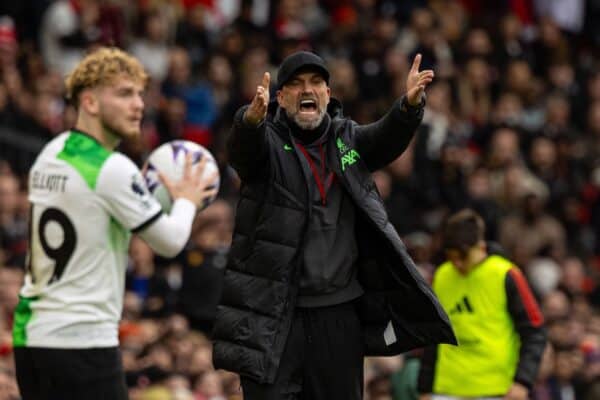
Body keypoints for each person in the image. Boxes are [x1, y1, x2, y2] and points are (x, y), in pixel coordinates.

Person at [211, 50, 456, 399]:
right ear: (280, 98)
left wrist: (408, 106)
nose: (305, 90)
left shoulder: (347, 141)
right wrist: (249, 121)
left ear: (328, 94)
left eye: (315, 83)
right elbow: (243, 154)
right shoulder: (267, 143)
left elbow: (384, 138)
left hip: (339, 314)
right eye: (294, 85)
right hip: (278, 312)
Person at [12, 47, 217, 400]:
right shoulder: (112, 169)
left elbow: (95, 208)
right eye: (124, 94)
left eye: (139, 94)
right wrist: (186, 199)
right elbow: (168, 242)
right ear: (89, 102)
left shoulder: (51, 153)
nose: (139, 104)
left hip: (32, 339)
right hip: (83, 343)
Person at [417, 209, 547, 400]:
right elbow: (433, 335)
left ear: (481, 246)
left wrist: (522, 381)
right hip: (446, 389)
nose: (458, 264)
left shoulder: (506, 274)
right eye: (452, 257)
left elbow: (534, 331)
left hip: (497, 389)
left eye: (463, 257)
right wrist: (425, 387)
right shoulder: (442, 276)